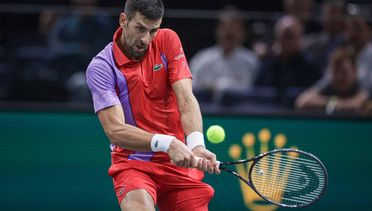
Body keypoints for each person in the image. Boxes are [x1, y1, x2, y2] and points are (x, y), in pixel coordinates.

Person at [85, 0, 220, 211]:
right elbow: (115, 130)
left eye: (153, 30)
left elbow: (186, 98)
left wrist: (196, 144)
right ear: (123, 20)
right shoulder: (102, 67)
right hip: (133, 163)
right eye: (140, 28)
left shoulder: (167, 40)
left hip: (177, 165)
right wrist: (169, 143)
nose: (145, 39)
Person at [189, 6, 259, 103]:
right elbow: (192, 87)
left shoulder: (250, 60)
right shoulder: (202, 58)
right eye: (224, 26)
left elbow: (249, 90)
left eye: (234, 27)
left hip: (241, 114)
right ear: (217, 30)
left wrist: (219, 86)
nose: (228, 31)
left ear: (242, 33)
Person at [255, 15, 321, 107]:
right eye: (284, 36)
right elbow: (257, 95)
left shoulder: (311, 67)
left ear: (300, 39)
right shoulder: (267, 65)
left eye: (291, 37)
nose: (286, 41)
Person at [295, 47, 369, 114]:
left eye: (344, 72)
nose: (339, 77)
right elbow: (302, 101)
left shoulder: (363, 84)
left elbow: (356, 104)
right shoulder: (328, 83)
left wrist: (330, 103)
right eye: (335, 71)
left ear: (355, 71)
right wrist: (333, 102)